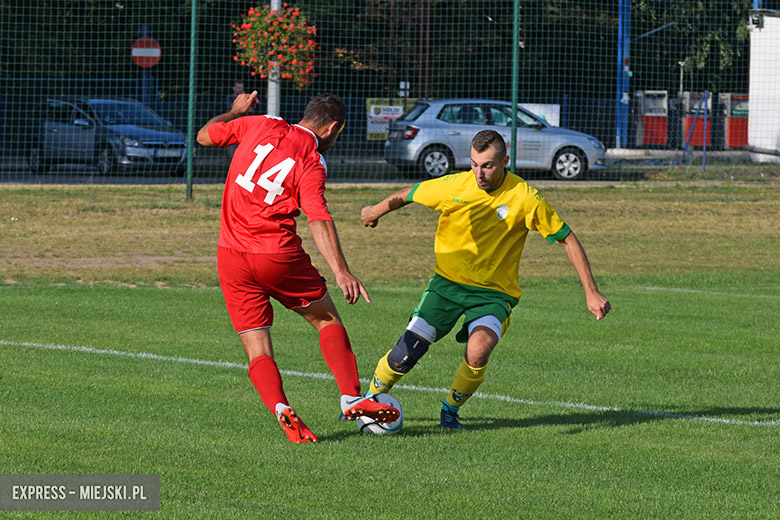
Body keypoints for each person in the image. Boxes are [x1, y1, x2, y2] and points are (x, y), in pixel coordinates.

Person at [360, 130, 611, 430]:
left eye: (488, 165)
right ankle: (369, 400)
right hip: (446, 287)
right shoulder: (454, 185)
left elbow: (567, 239)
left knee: (478, 351)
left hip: (494, 295)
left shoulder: (525, 197)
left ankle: (450, 411)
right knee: (405, 353)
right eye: (475, 164)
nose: (480, 172)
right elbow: (409, 194)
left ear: (505, 161)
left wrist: (591, 292)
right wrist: (373, 211)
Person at [196, 91, 399, 443]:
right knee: (326, 319)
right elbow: (318, 218)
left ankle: (280, 408)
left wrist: (233, 111)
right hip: (277, 256)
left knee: (257, 347)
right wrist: (341, 271)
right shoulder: (312, 160)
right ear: (333, 127)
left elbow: (203, 135)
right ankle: (352, 397)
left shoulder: (259, 124)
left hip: (230, 256)